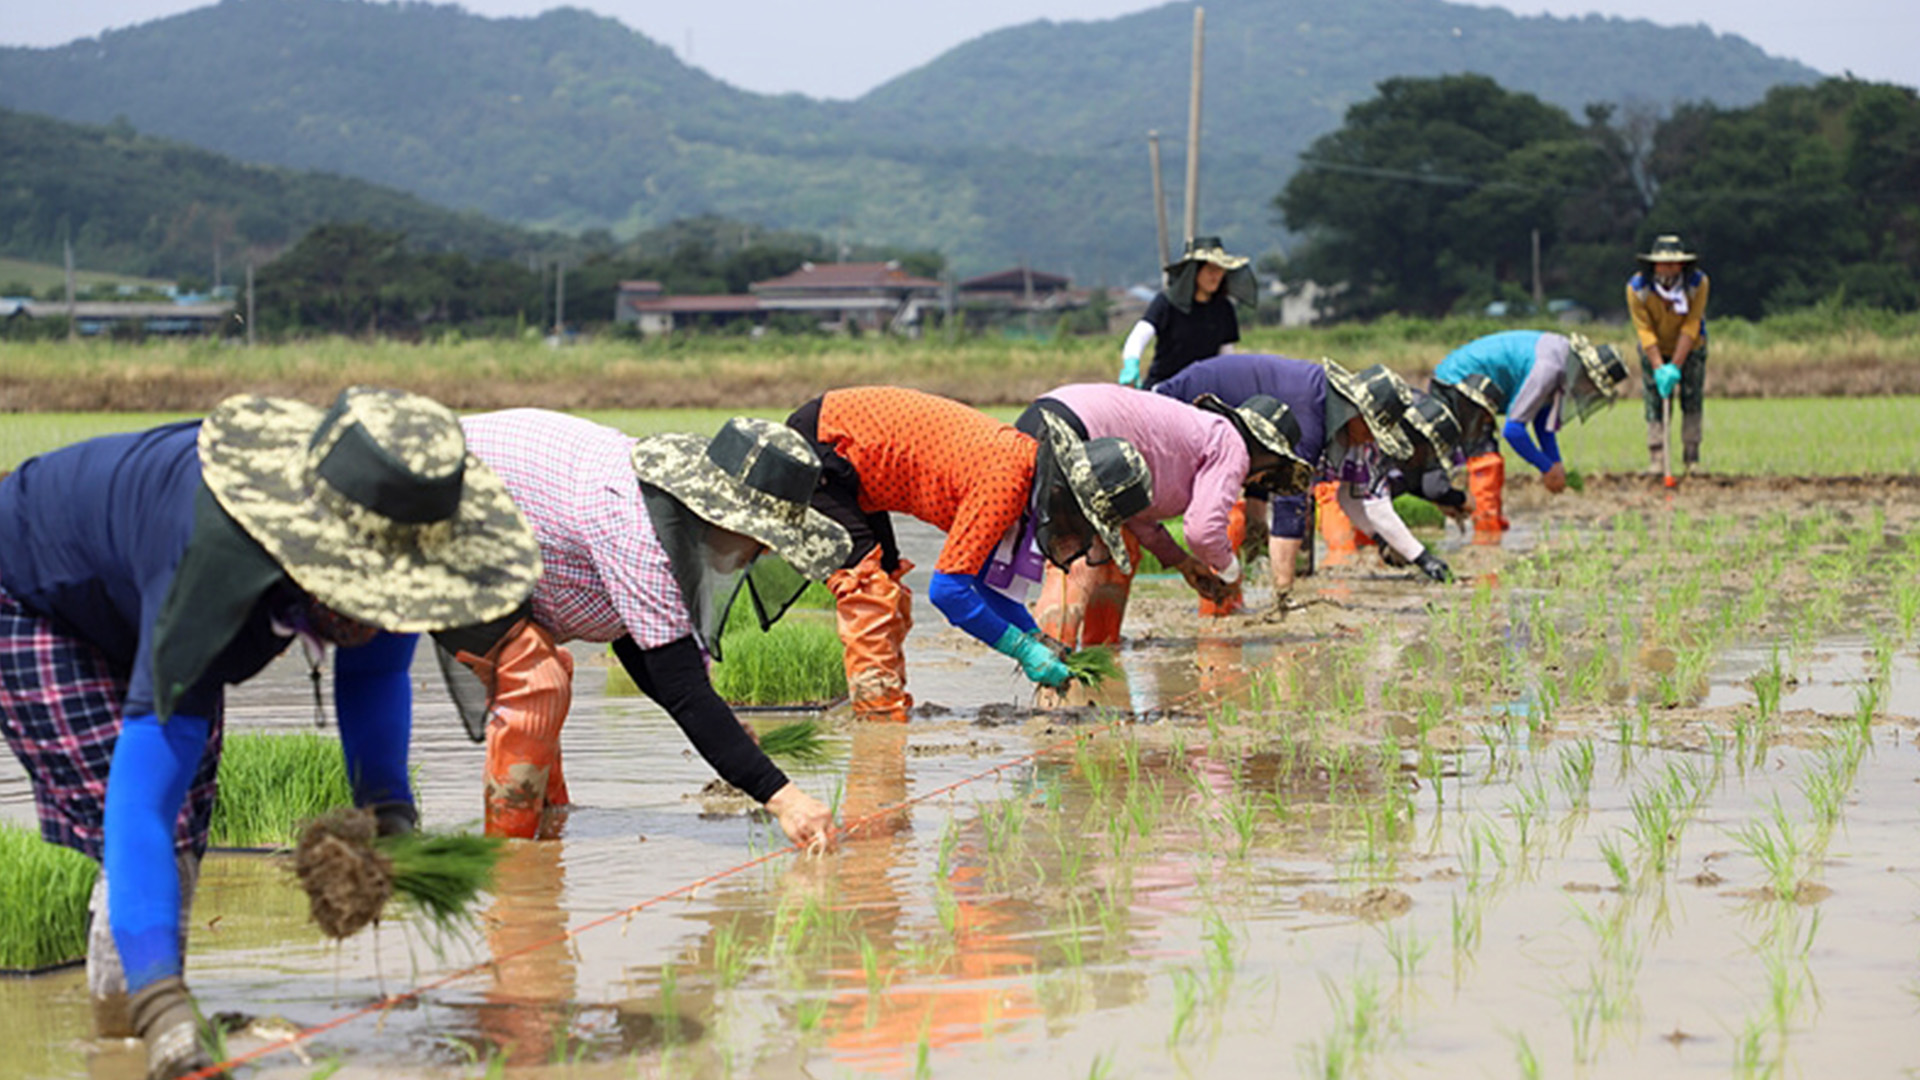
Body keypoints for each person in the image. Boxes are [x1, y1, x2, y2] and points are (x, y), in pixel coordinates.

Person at [0, 387, 541, 1080]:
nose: (380, 614)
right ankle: (133, 1027)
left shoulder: (385, 548)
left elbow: (374, 678)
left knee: (191, 826)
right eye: (364, 594)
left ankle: (135, 1017)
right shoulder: (213, 564)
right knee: (155, 826)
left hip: (134, 587)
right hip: (34, 593)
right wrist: (168, 1011)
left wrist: (391, 817)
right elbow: (140, 807)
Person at [437, 411, 852, 843]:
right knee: (536, 681)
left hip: (483, 521)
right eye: (763, 538)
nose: (764, 552)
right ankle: (513, 861)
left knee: (550, 670)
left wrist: (723, 726)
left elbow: (640, 642)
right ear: (722, 516)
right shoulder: (636, 526)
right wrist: (786, 800)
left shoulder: (667, 512)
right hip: (428, 517)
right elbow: (679, 687)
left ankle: (546, 826)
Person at [786, 386, 1151, 721]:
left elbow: (983, 582)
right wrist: (1022, 651)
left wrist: (1039, 641)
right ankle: (879, 726)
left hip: (855, 464)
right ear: (1066, 495)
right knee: (869, 589)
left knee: (890, 584)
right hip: (824, 446)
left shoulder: (1024, 474)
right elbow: (948, 593)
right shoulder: (1005, 482)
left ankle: (887, 709)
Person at [1155, 356, 1453, 612]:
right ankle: (1220, 610)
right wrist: (1285, 595)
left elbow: (1356, 498)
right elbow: (1289, 505)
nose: (1373, 439)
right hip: (1186, 401)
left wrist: (1412, 553)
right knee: (1210, 510)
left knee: (1247, 514)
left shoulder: (1333, 411)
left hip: (1228, 418)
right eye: (1374, 430)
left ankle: (1230, 601)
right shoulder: (1311, 418)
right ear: (1359, 413)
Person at [1020, 384, 1313, 645]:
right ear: (1268, 456)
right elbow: (1203, 531)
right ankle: (1054, 674)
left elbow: (1136, 515)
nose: (1258, 482)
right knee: (1078, 561)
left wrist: (1182, 563)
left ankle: (1096, 653)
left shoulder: (1197, 438)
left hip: (1046, 415)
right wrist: (1231, 572)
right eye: (1269, 474)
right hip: (1075, 432)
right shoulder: (1231, 446)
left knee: (1109, 548)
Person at [1431, 330, 1628, 541]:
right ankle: (1486, 533)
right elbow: (1514, 431)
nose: (1588, 392)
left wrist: (1555, 462)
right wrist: (1545, 466)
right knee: (1486, 460)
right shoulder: (1548, 369)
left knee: (1486, 457)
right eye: (1592, 387)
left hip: (1472, 387)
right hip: (1458, 383)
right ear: (1585, 374)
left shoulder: (1561, 362)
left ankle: (1490, 523)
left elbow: (1541, 418)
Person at [1118, 235, 1257, 389]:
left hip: (1202, 390)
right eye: (1211, 269)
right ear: (1194, 271)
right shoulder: (1167, 302)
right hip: (1164, 388)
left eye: (1220, 270)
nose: (1216, 276)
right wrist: (1131, 364)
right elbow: (1140, 335)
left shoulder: (1223, 309)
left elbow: (1225, 353)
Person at [1626, 234, 1711, 474]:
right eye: (1663, 263)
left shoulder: (1697, 284)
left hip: (1690, 348)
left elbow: (1692, 324)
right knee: (1655, 400)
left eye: (1674, 263)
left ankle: (1691, 458)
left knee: (1692, 399)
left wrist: (1675, 365)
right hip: (1653, 348)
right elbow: (1644, 329)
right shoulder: (1637, 289)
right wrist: (1658, 366)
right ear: (1653, 264)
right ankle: (1657, 458)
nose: (1668, 269)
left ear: (1682, 264)